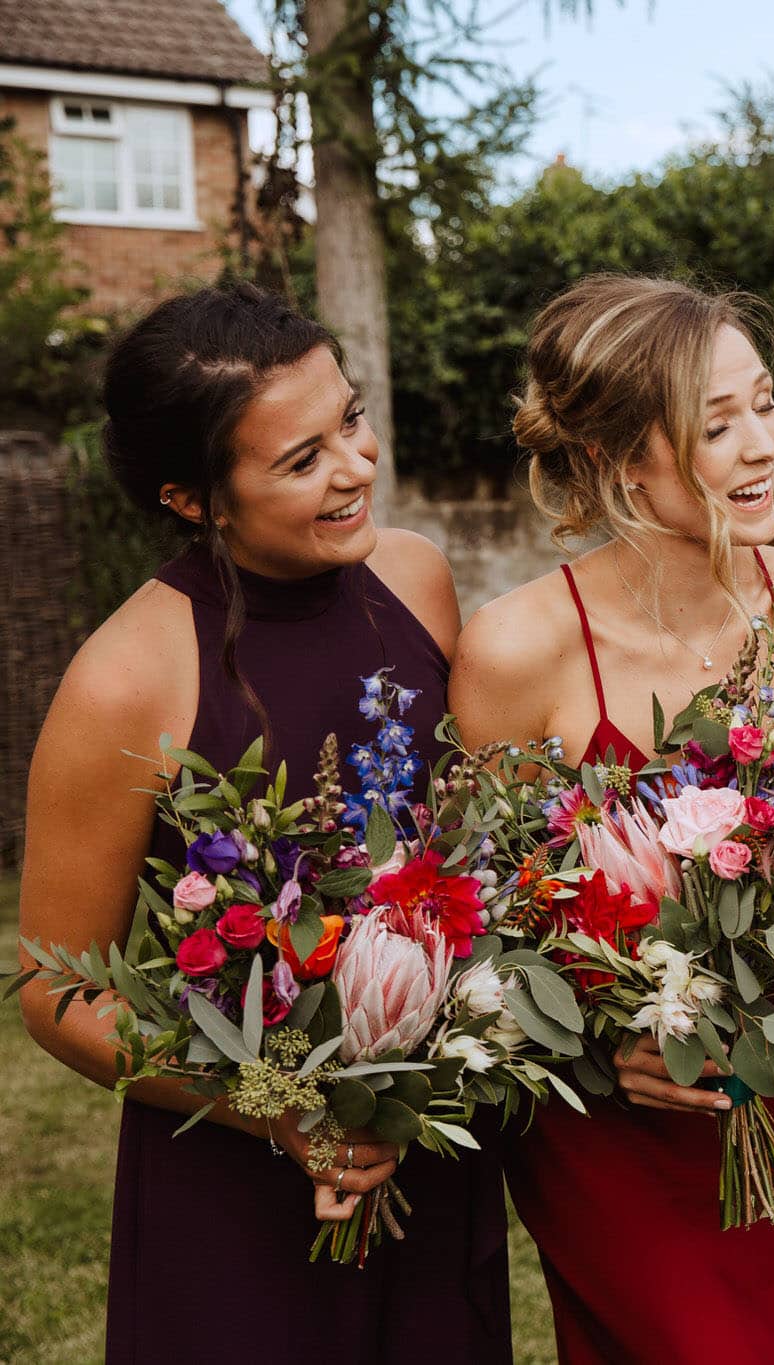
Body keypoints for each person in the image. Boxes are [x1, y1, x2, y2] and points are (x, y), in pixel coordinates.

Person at [18, 282, 507, 1362]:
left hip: (424, 1147)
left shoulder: (417, 578)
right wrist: (281, 1105)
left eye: (352, 418)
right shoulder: (126, 679)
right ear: (193, 498)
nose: (354, 467)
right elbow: (54, 989)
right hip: (236, 1180)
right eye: (300, 460)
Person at [449, 274, 774, 1363]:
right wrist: (600, 1036)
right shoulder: (515, 649)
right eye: (715, 425)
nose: (761, 443)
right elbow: (484, 920)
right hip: (613, 1130)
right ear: (621, 457)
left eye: (763, 404)